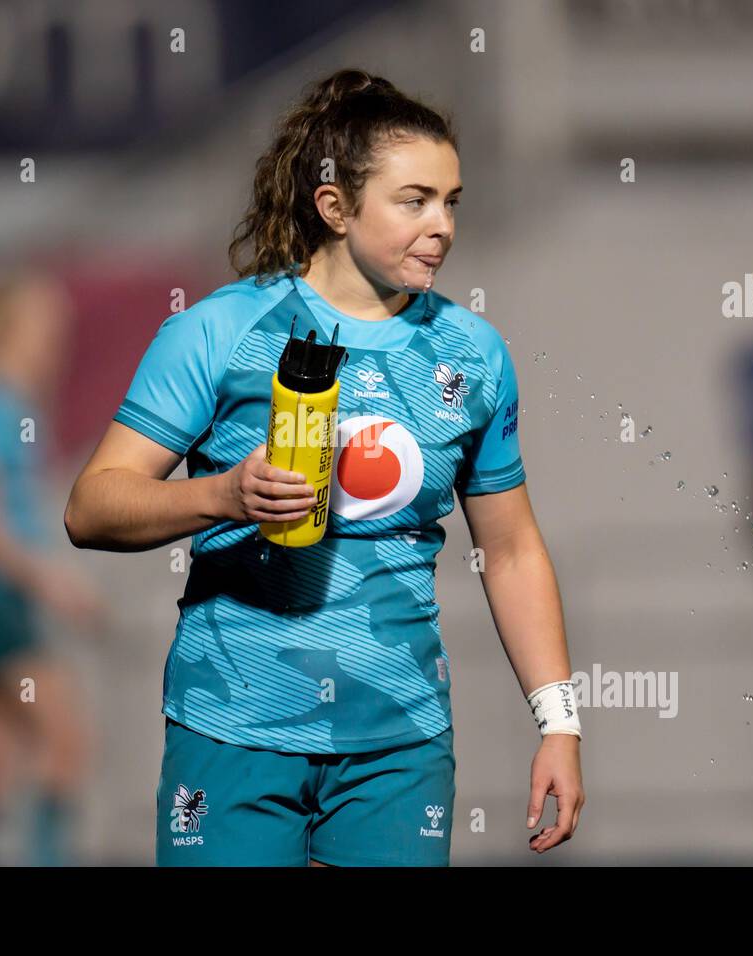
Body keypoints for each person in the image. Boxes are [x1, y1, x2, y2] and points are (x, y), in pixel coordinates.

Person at [66, 69, 584, 866]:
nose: (441, 224)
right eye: (413, 201)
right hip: (231, 726)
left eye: (451, 201)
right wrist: (224, 493)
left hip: (399, 742)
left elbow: (510, 549)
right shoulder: (220, 331)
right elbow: (91, 508)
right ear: (335, 207)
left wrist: (558, 722)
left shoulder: (473, 354)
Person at [0, 267, 104, 866]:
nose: (58, 341)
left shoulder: (10, 405)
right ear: (10, 331)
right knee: (65, 737)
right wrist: (46, 578)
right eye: (47, 327)